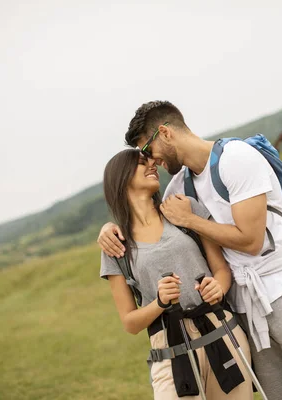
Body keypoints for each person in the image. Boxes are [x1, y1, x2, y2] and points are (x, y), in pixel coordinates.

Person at [98, 101, 282, 400]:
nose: (151, 161)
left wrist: (191, 220)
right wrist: (109, 228)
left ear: (165, 133)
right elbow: (149, 219)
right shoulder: (178, 189)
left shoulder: (236, 159)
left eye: (148, 150)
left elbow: (251, 241)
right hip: (242, 303)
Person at [99, 147, 253, 399]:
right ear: (121, 177)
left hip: (220, 330)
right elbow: (130, 323)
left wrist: (219, 287)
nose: (152, 165)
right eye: (141, 162)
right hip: (169, 352)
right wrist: (159, 303)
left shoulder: (183, 209)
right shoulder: (116, 244)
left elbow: (221, 270)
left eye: (151, 160)